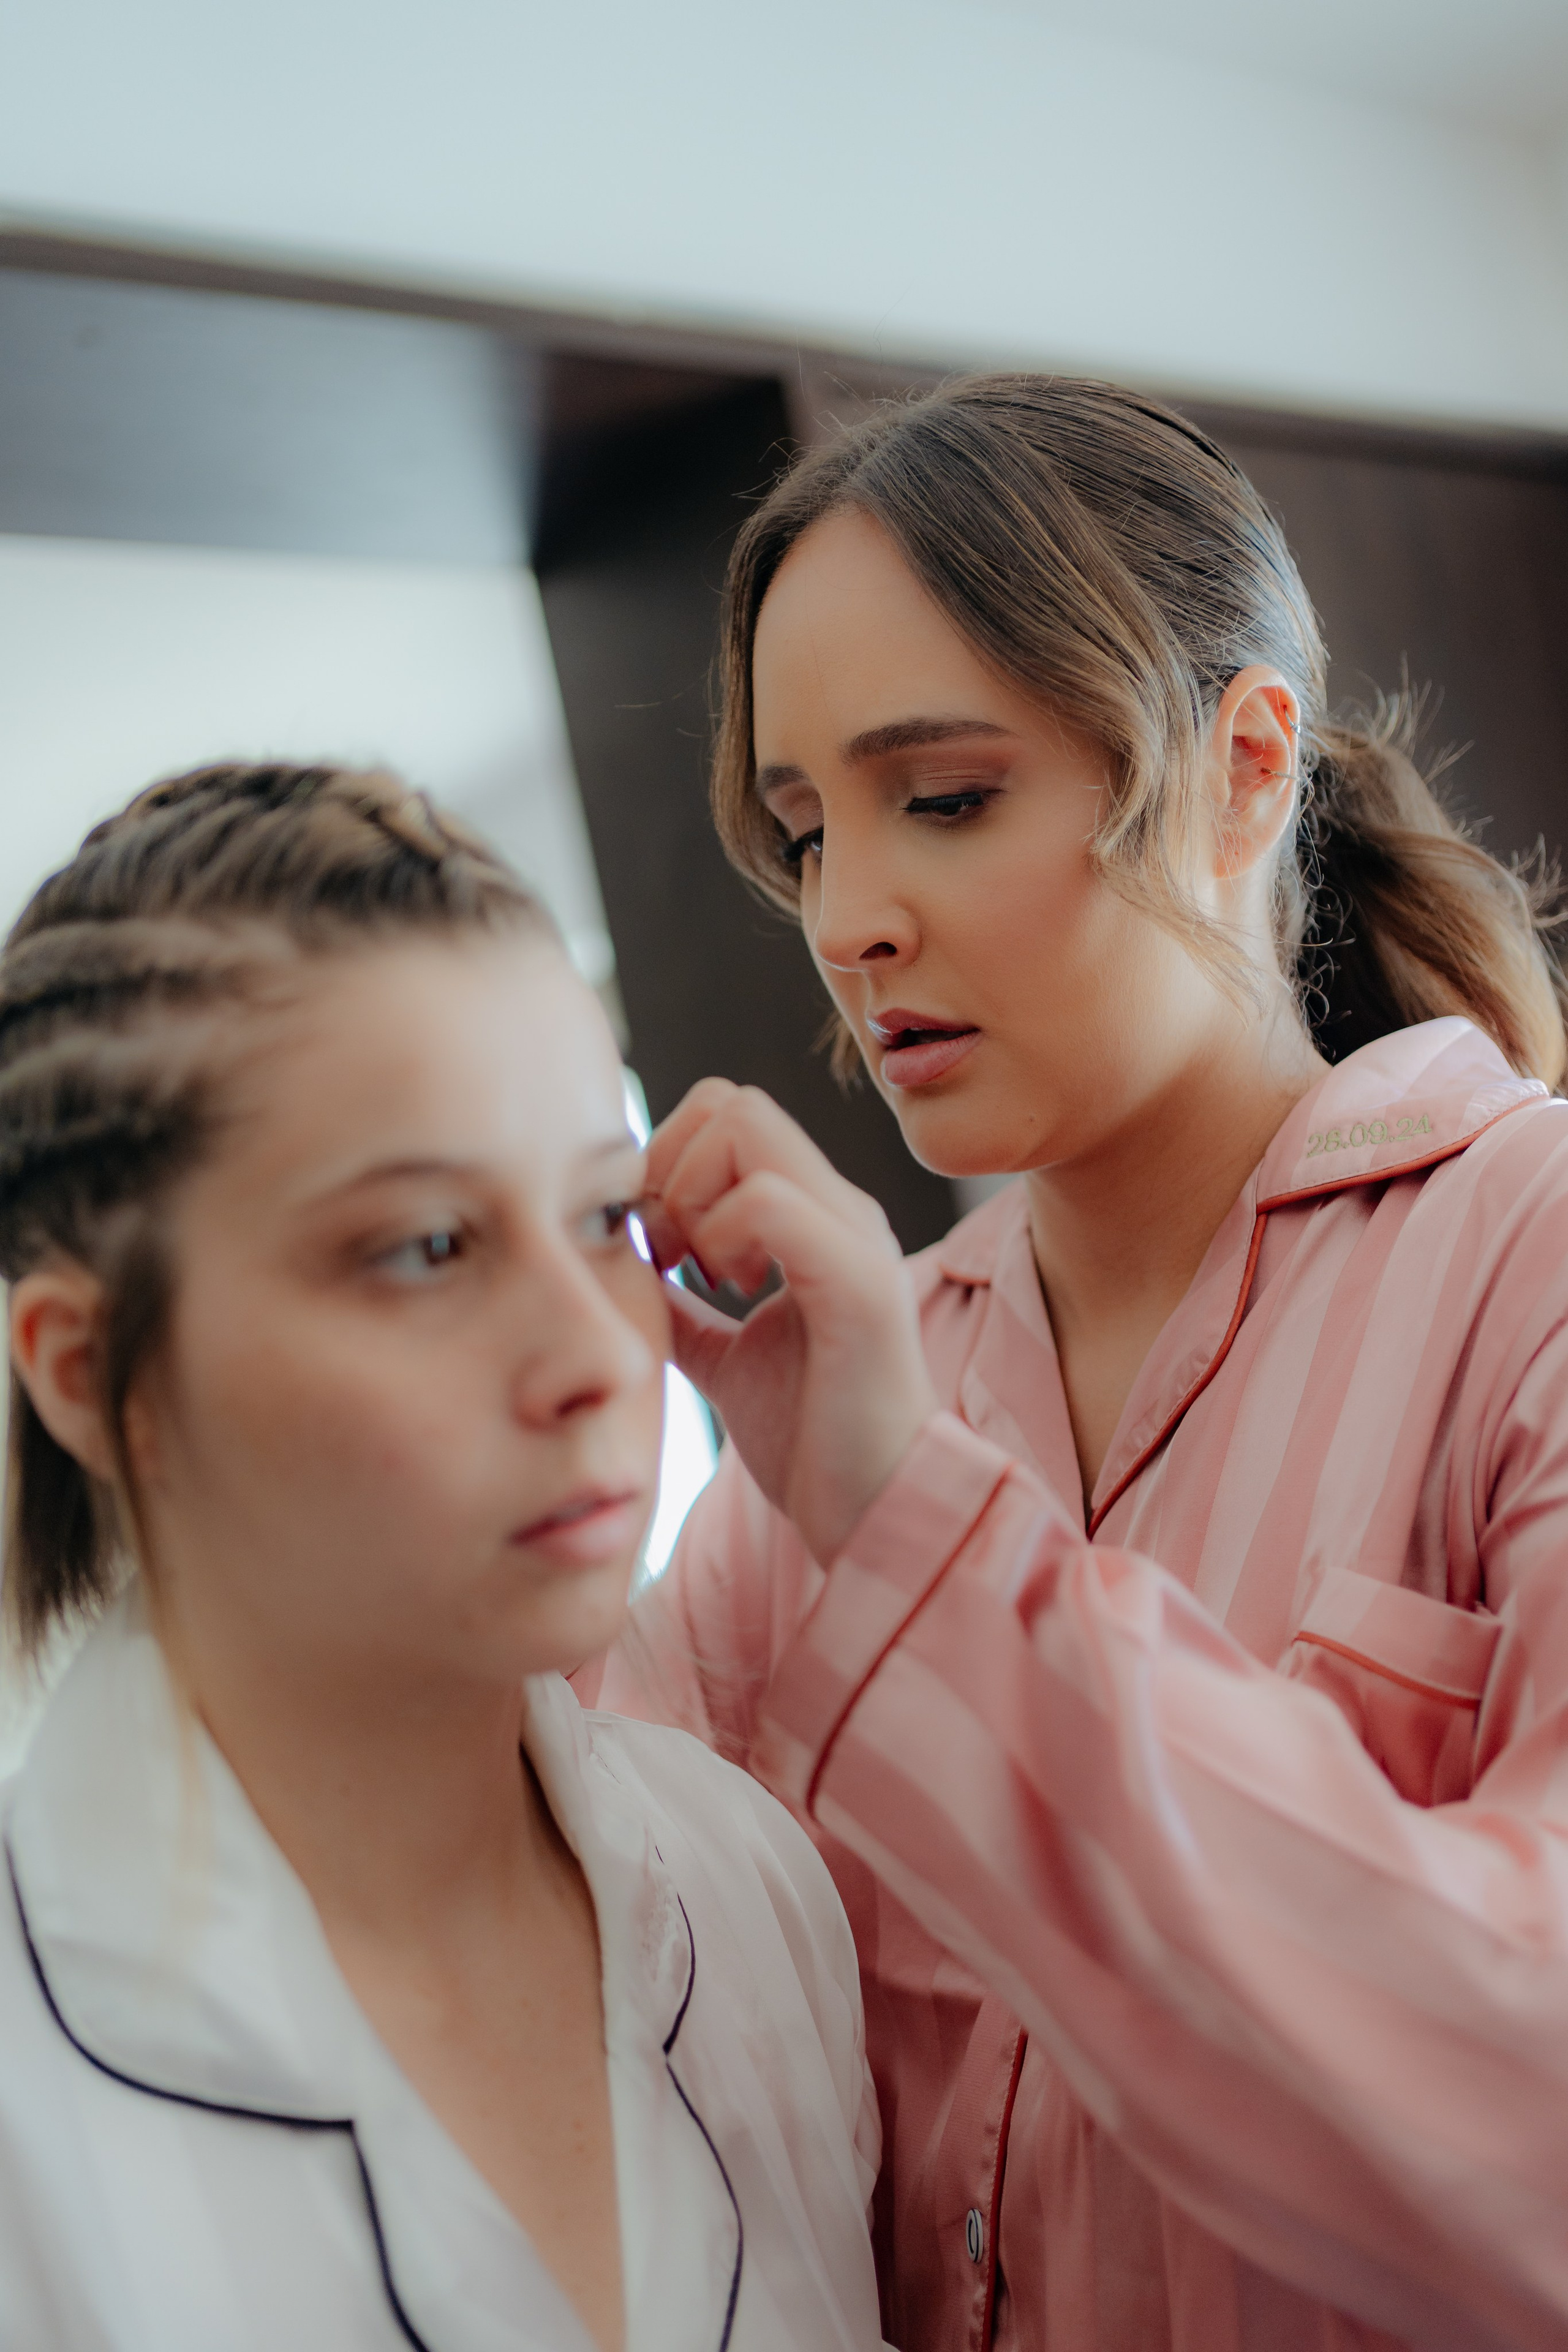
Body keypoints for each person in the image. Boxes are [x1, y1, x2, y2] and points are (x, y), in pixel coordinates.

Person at [582, 377, 1568, 2352]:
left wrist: (915, 1547)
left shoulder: (1523, 1257)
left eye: (946, 799)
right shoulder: (827, 1422)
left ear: (1242, 771)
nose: (850, 920)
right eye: (805, 831)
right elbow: (614, 2046)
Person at [0, 762, 887, 2352]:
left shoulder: (747, 1882)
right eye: (425, 1247)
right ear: (92, 1375)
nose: (597, 1356)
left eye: (605, 1218)